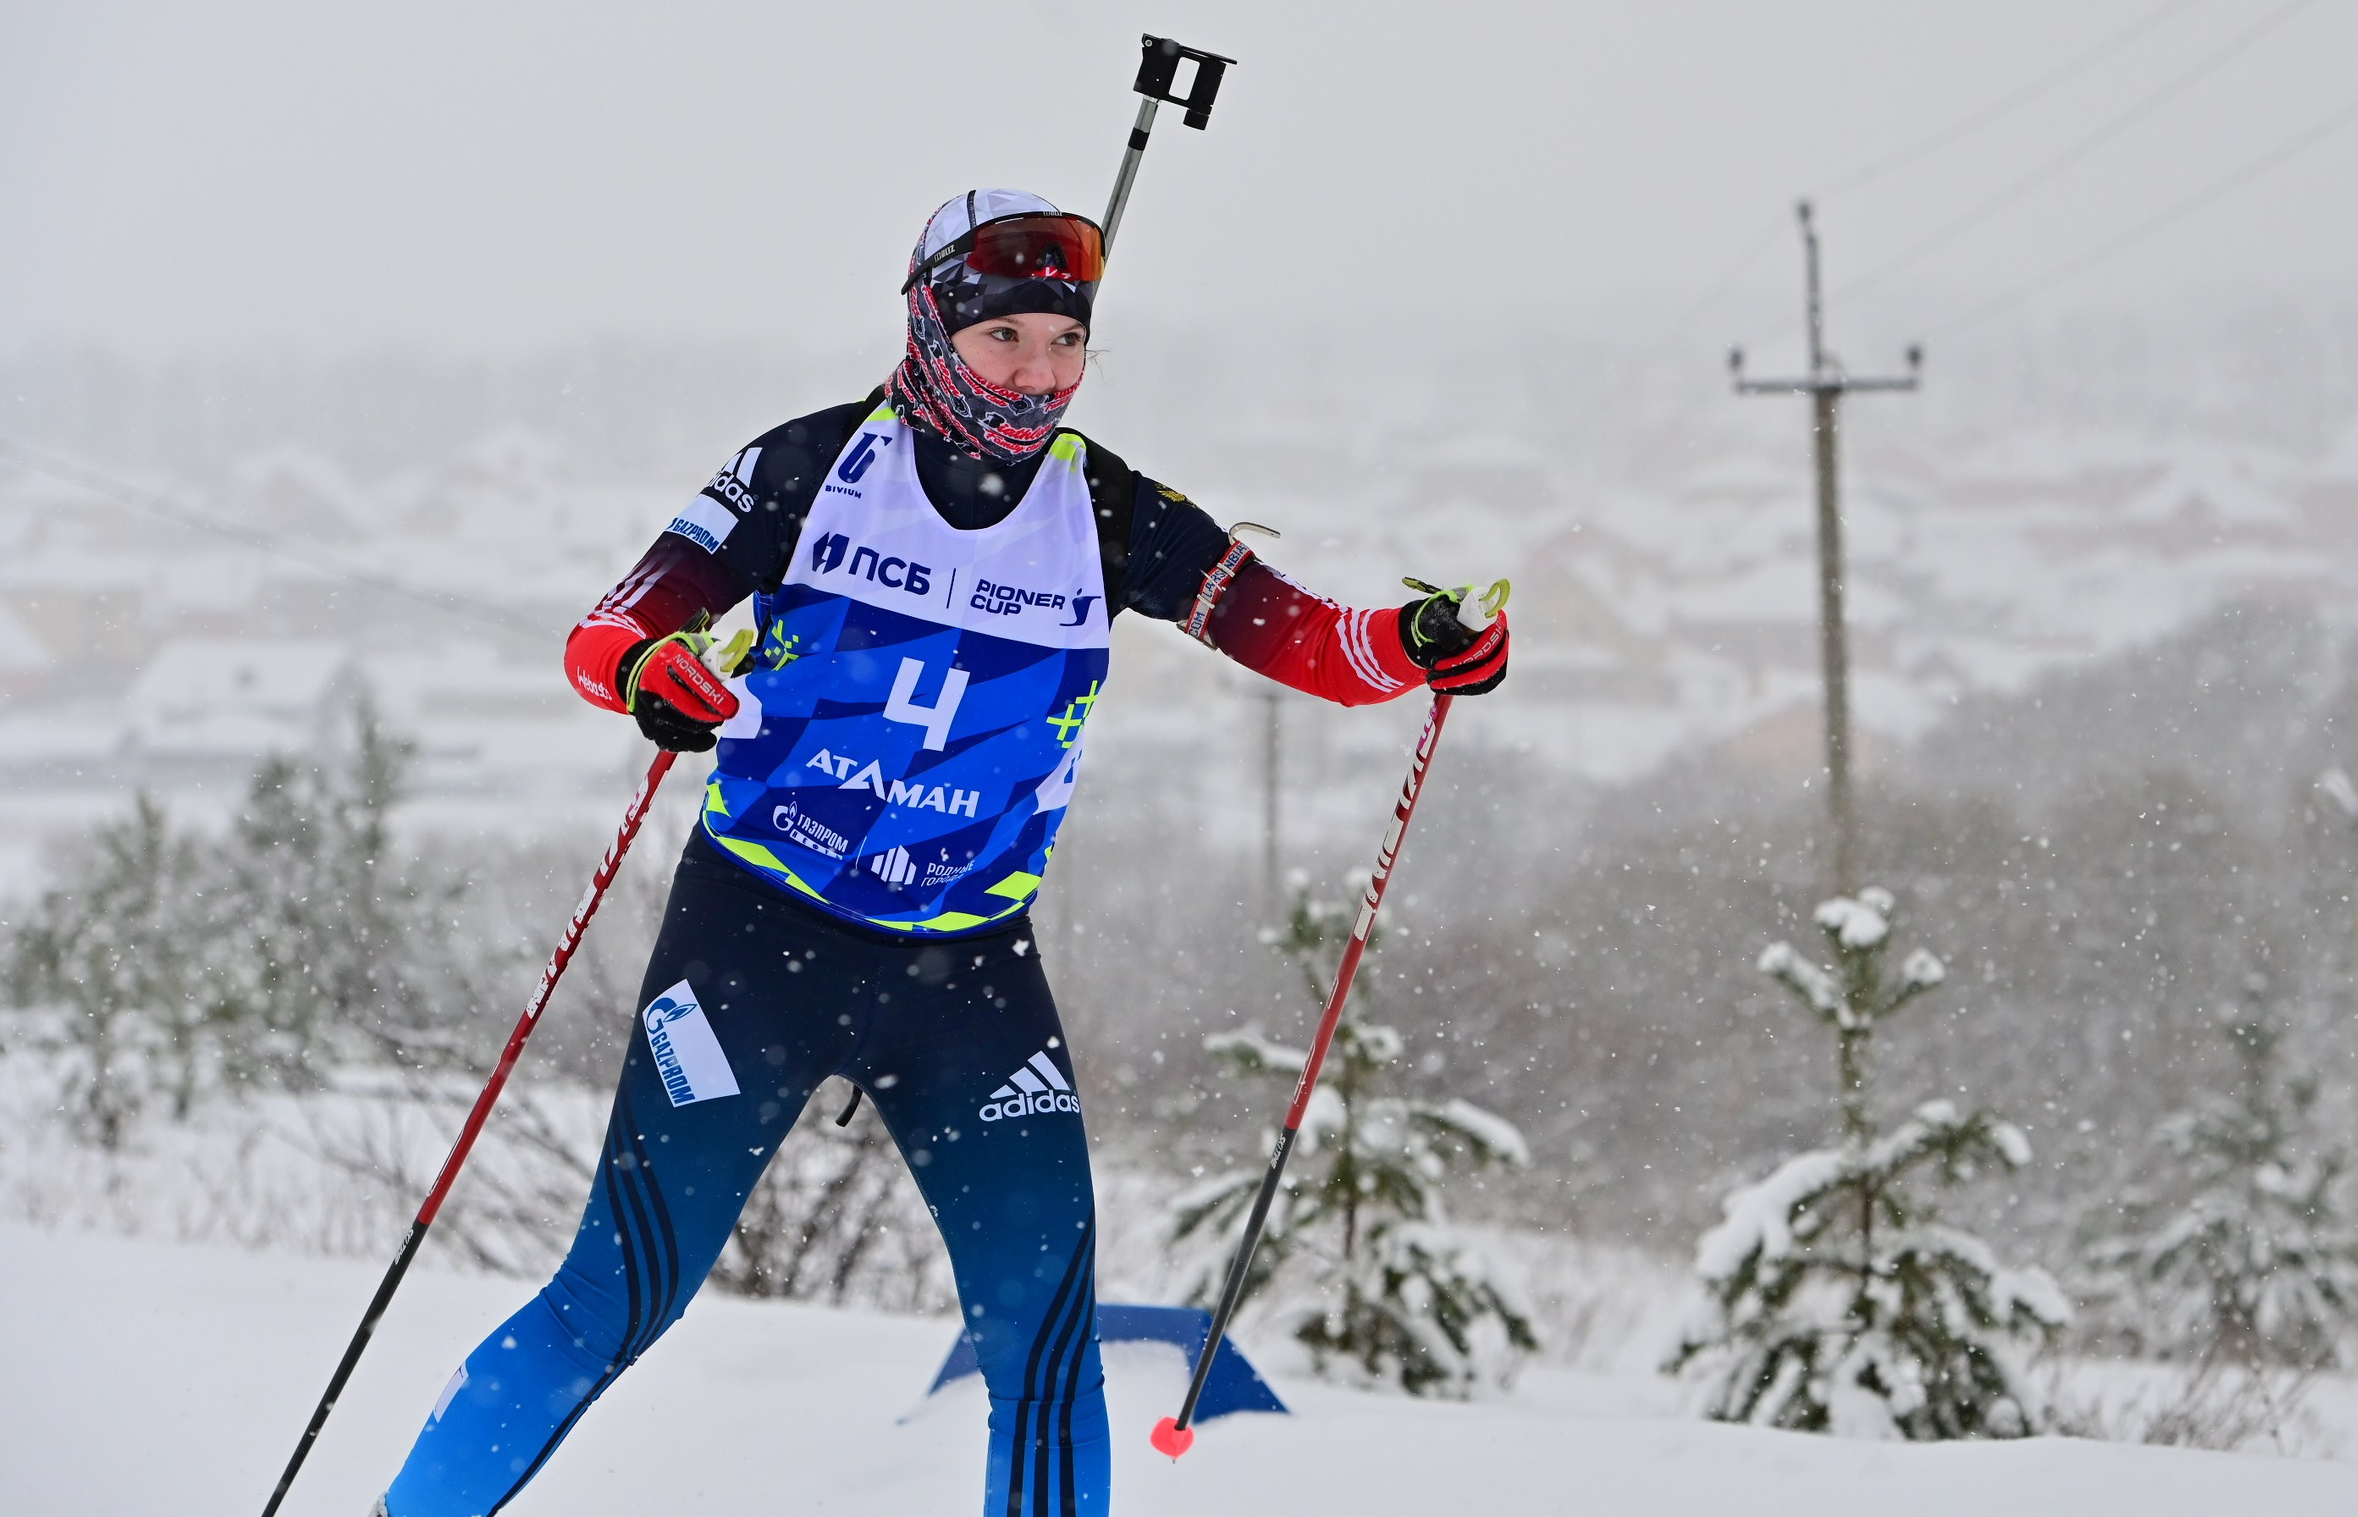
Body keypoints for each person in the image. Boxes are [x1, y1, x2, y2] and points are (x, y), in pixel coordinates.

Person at [374, 188, 1509, 1517]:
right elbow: (613, 630)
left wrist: (1423, 642)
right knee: (619, 1298)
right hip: (757, 942)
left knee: (1041, 1340)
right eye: (1003, 339)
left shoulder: (1108, 511)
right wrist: (653, 674)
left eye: (1064, 343)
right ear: (928, 329)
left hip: (970, 975)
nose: (1036, 376)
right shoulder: (807, 468)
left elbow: (1308, 640)